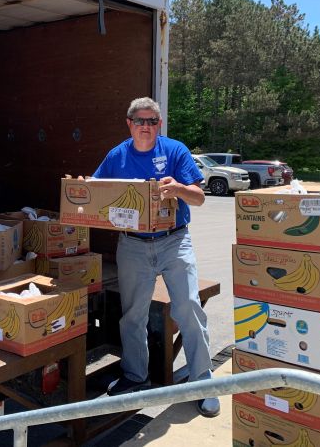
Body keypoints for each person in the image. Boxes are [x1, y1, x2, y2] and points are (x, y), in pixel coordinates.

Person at [93, 96, 220, 418]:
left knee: (188, 308)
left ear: (159, 124)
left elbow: (201, 198)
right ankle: (136, 376)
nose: (146, 126)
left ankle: (203, 383)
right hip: (132, 245)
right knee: (132, 314)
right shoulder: (116, 155)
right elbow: (96, 191)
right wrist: (83, 188)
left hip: (174, 241)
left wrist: (178, 188)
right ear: (129, 123)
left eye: (152, 121)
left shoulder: (174, 150)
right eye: (140, 121)